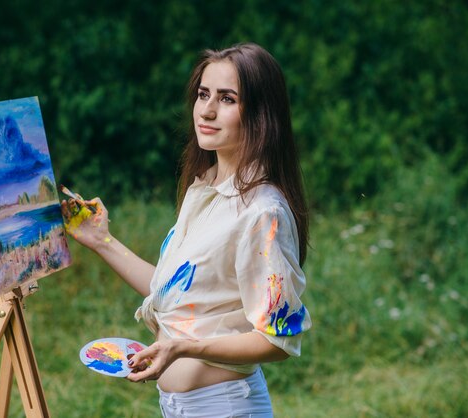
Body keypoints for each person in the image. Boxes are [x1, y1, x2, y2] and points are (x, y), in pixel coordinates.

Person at [61, 42, 311, 418]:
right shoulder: (206, 188)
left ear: (260, 113)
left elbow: (279, 341)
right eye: (203, 94)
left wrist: (182, 347)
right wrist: (102, 241)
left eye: (227, 99)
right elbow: (178, 292)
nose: (207, 110)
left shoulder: (262, 212)